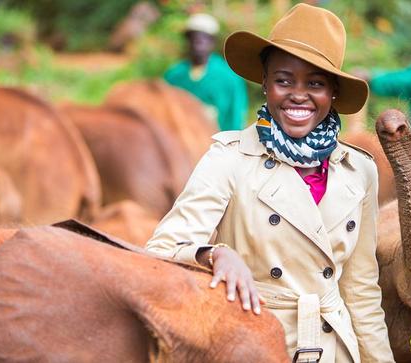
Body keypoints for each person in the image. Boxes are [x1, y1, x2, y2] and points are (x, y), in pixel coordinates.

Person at [147, 3, 394, 363]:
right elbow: (161, 250)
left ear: (333, 93)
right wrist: (215, 254)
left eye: (315, 83)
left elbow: (360, 290)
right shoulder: (229, 158)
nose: (298, 94)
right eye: (283, 80)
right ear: (265, 84)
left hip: (335, 348)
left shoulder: (359, 170)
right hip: (254, 343)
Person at [164, 13, 249, 131]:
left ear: (212, 41)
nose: (198, 42)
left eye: (204, 37)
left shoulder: (228, 77)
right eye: (193, 37)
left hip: (216, 144)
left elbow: (236, 115)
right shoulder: (174, 76)